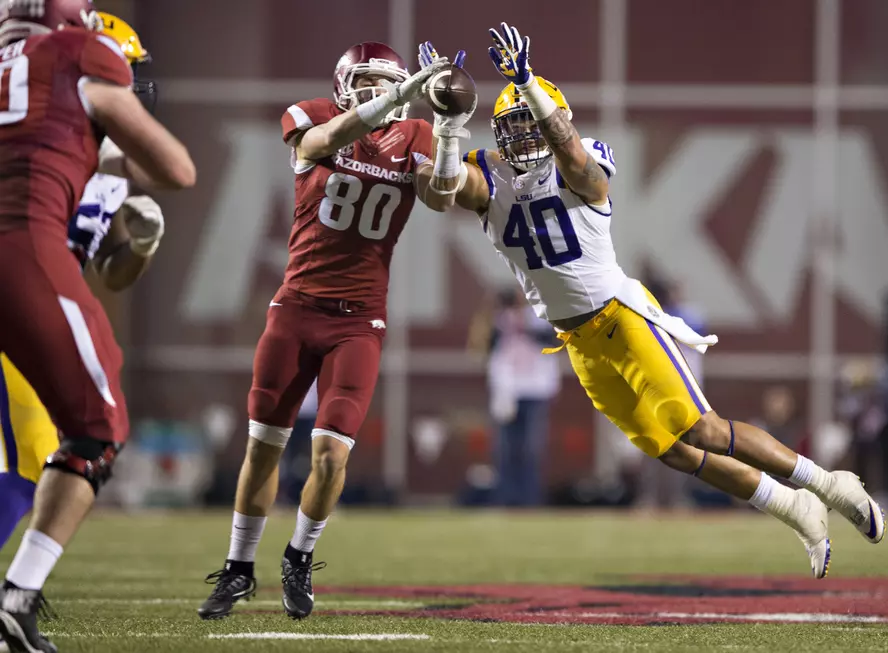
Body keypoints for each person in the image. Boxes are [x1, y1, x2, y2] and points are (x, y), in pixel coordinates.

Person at [415, 22, 885, 580]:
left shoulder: (581, 159)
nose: (520, 138)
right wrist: (446, 125)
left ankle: (830, 484)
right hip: (578, 342)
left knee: (704, 429)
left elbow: (576, 161)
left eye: (529, 123)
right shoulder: (488, 175)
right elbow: (438, 195)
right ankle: (794, 507)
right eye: (509, 127)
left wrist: (530, 88)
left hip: (622, 316)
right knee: (675, 451)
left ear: (551, 117)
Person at [197, 41, 460, 622]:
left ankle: (298, 557)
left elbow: (441, 200)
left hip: (358, 321)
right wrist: (397, 94)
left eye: (385, 83)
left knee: (329, 456)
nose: (376, 92)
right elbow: (320, 145)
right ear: (344, 86)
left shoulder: (414, 135)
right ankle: (240, 568)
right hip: (295, 309)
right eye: (366, 82)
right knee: (264, 447)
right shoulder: (313, 114)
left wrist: (445, 127)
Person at [0, 1, 196, 650]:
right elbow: (176, 169)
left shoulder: (101, 167)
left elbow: (106, 273)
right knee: (64, 444)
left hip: (37, 299)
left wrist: (134, 245)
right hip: (24, 288)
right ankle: (16, 599)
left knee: (31, 459)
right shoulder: (73, 76)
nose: (132, 86)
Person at [472, 288, 560, 507]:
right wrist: (494, 319)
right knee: (504, 448)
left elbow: (552, 340)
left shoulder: (540, 318)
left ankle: (529, 499)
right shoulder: (496, 321)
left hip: (535, 390)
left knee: (531, 448)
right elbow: (481, 346)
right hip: (508, 391)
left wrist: (524, 327)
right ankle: (505, 498)